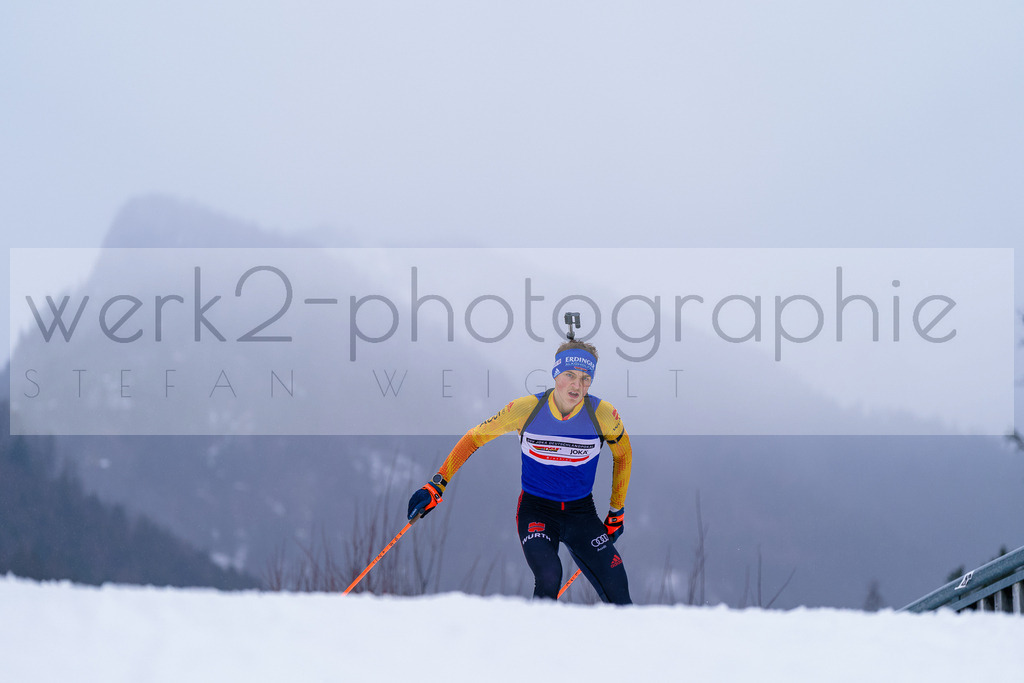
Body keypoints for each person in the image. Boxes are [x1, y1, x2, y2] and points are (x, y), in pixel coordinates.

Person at [407, 339, 633, 604]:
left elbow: (624, 455)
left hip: (581, 514)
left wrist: (616, 511)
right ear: (555, 374)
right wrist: (437, 484)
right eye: (570, 375)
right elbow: (475, 437)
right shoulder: (527, 409)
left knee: (618, 585)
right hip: (537, 510)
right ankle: (534, 642)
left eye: (585, 378)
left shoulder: (602, 414)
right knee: (549, 575)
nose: (577, 385)